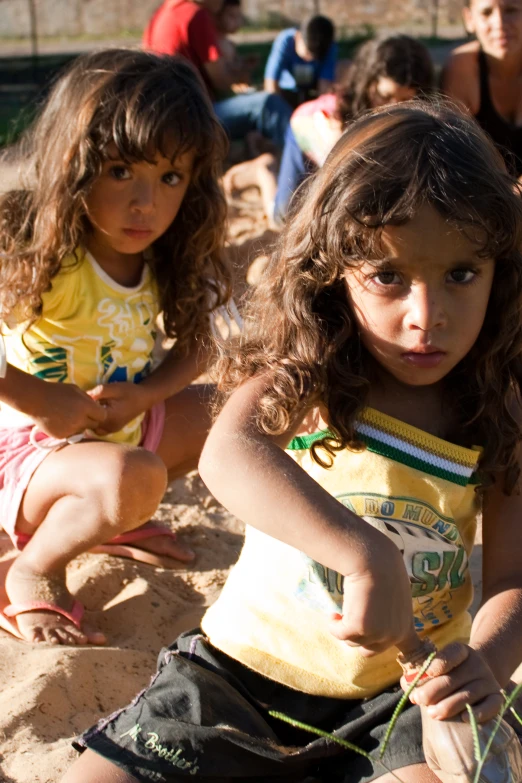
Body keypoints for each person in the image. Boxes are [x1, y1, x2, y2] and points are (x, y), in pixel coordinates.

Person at [64, 102, 522, 782]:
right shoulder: (315, 370)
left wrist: (484, 661)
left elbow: (512, 576)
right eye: (389, 277)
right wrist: (366, 554)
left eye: (461, 274)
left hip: (396, 696)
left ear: (500, 271)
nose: (427, 318)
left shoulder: (498, 406)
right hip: (238, 675)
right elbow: (228, 450)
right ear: (335, 265)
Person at [0, 49, 232, 646]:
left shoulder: (164, 253)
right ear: (73, 162)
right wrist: (36, 397)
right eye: (121, 170)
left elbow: (205, 341)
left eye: (170, 177)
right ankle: (35, 569)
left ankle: (110, 520)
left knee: (242, 406)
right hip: (31, 456)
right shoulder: (34, 247)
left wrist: (147, 394)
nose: (145, 203)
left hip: (122, 433)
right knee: (133, 475)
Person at [225, 35, 434, 226]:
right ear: (368, 82)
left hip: (341, 156)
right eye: (386, 96)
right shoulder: (334, 119)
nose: (394, 107)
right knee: (285, 217)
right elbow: (345, 182)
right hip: (306, 135)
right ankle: (265, 171)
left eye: (407, 100)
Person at [143, 0, 291, 148]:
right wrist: (242, 74)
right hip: (192, 118)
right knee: (268, 104)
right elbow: (221, 81)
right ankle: (300, 161)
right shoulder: (196, 14)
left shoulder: (162, 11)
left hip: (162, 117)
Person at [442, 0, 522, 177]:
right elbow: (455, 153)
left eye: (511, 10)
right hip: (485, 192)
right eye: (486, 13)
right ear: (470, 19)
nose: (499, 23)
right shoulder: (461, 67)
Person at [264, 15, 336, 109]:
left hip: (313, 91)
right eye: (307, 54)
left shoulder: (329, 47)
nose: (309, 61)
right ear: (298, 37)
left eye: (314, 58)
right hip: (286, 92)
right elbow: (271, 83)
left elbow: (324, 86)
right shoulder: (285, 40)